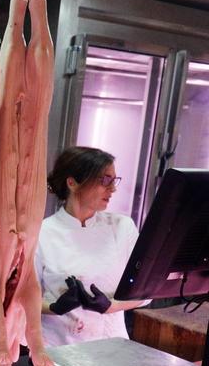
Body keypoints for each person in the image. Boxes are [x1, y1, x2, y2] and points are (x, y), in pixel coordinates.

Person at [35, 146, 147, 347]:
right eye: (104, 180)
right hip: (59, 351)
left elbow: (147, 293)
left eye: (114, 181)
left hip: (113, 348)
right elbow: (19, 301)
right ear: (72, 183)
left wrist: (111, 306)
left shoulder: (122, 227)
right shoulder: (42, 233)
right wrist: (54, 307)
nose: (112, 189)